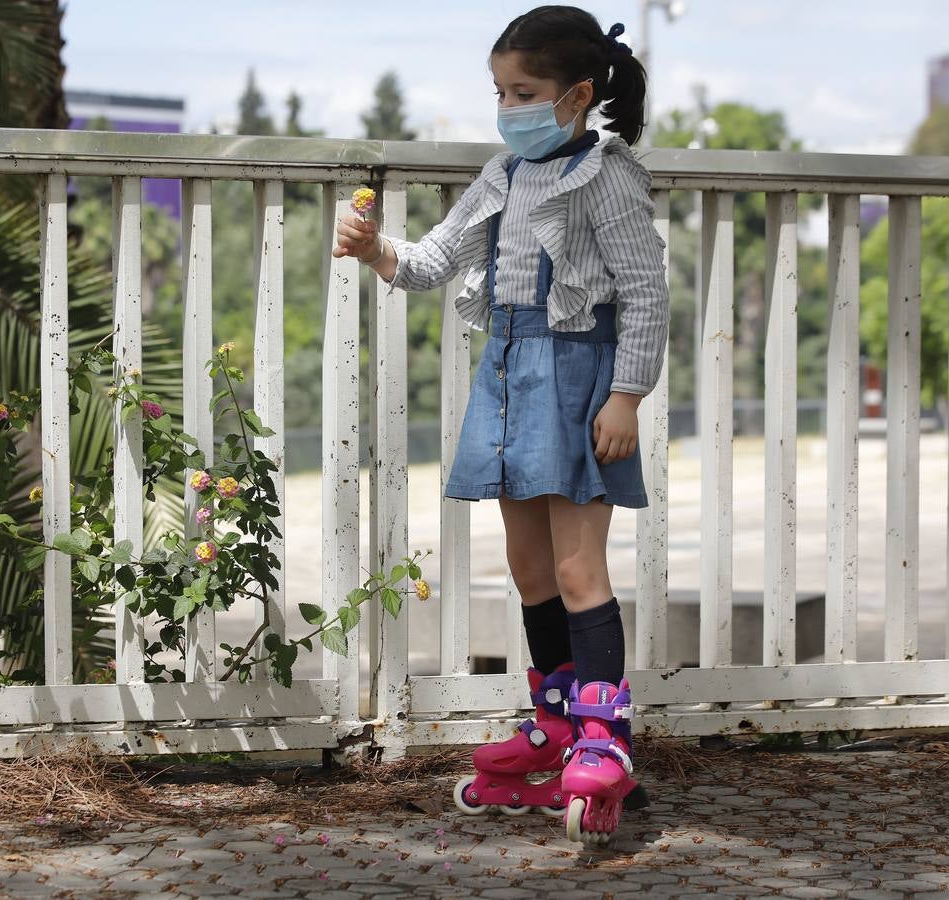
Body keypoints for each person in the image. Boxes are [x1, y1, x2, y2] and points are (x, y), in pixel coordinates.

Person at [333, 5, 668, 844]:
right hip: (510, 376)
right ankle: (554, 721)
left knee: (577, 565)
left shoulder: (606, 174)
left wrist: (626, 394)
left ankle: (604, 736)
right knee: (527, 567)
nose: (507, 105)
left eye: (524, 91)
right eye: (498, 91)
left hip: (579, 378)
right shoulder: (505, 174)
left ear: (577, 95)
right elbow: (438, 260)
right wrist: (376, 249)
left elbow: (646, 293)